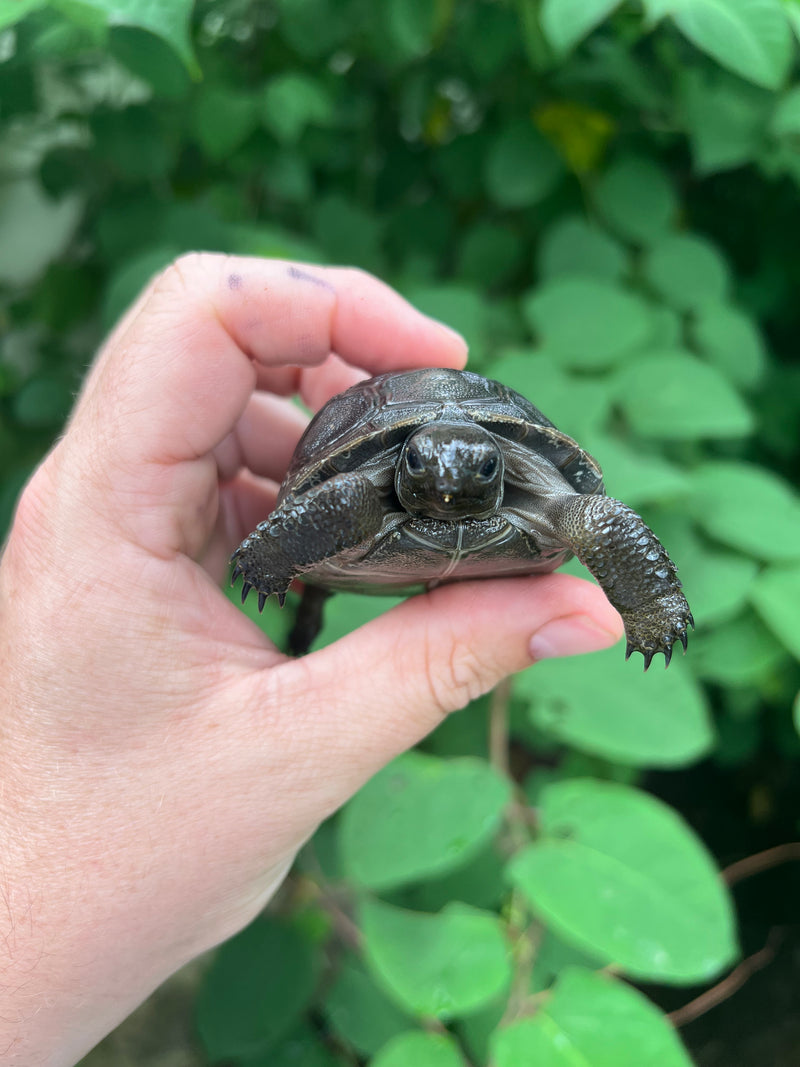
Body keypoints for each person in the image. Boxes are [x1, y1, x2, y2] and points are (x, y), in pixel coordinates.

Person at [0, 255, 623, 1065]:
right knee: (335, 528)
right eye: (420, 466)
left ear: (501, 466)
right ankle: (306, 596)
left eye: (472, 466)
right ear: (401, 466)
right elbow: (328, 505)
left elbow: (594, 514)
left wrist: (651, 603)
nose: (443, 479)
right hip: (356, 534)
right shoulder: (364, 493)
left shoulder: (546, 495)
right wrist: (272, 559)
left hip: (470, 533)